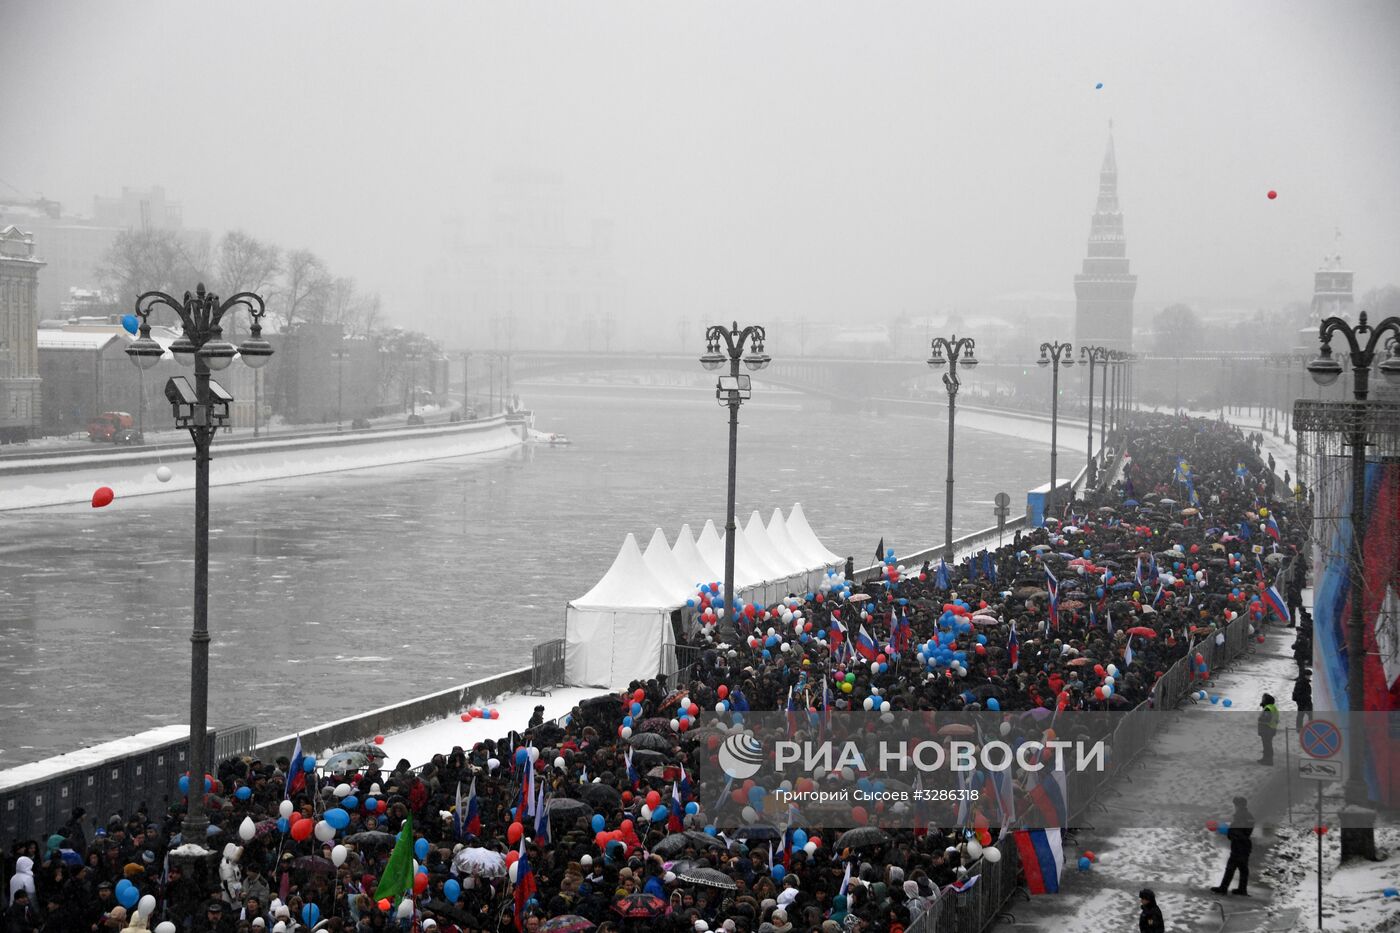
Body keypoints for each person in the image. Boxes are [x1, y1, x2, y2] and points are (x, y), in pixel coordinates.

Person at [1212, 796, 1254, 896]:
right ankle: (1242, 889)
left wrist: (1229, 832)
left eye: (1235, 805)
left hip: (1239, 845)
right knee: (1243, 868)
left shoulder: (1240, 816)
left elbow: (1237, 831)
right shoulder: (1249, 816)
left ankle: (1223, 888)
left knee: (1231, 867)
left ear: (1238, 805)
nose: (1235, 807)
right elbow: (1247, 831)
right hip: (1245, 844)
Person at [1258, 694, 1280, 764]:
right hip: (1272, 728)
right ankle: (1266, 759)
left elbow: (1267, 718)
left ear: (1266, 701)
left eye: (1263, 699)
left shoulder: (1268, 708)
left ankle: (1268, 760)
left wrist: (1260, 719)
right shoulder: (1273, 707)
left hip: (1267, 729)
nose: (1262, 700)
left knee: (1267, 745)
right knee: (1268, 745)